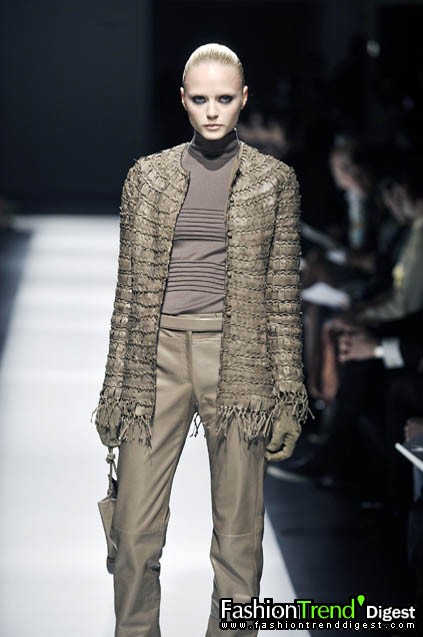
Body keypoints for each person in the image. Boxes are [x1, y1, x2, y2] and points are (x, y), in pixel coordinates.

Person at [90, 43, 308, 637]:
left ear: (244, 100)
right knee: (133, 533)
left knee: (239, 538)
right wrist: (114, 391)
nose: (213, 111)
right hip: (154, 360)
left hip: (240, 363)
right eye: (201, 98)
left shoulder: (274, 182)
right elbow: (129, 293)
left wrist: (289, 396)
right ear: (183, 100)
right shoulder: (147, 178)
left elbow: (281, 295)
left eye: (225, 98)